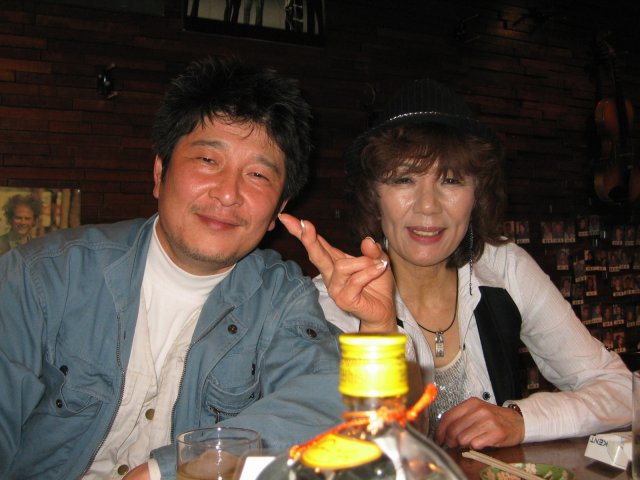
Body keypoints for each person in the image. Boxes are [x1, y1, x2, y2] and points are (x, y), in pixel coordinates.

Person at [0, 57, 343, 480]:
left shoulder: (281, 297)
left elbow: (332, 399)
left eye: (257, 174)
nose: (228, 194)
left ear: (278, 210)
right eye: (208, 160)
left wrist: (170, 471)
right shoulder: (42, 277)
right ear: (160, 173)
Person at [280, 78, 631, 450]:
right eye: (404, 179)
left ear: (476, 196)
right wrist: (378, 331)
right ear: (374, 197)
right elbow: (353, 449)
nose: (428, 206)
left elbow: (624, 390)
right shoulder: (334, 303)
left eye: (451, 180)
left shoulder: (504, 267)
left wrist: (522, 419)